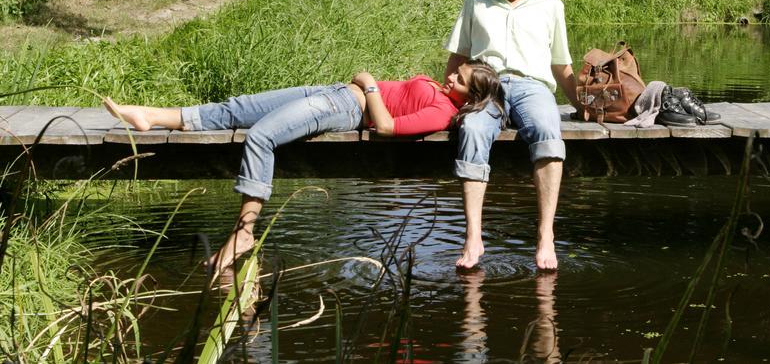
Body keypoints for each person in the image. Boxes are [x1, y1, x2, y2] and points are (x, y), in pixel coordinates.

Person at [103, 62, 504, 274]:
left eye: (461, 79)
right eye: (458, 70)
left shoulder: (442, 111)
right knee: (237, 108)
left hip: (345, 106)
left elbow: (385, 126)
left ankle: (244, 233)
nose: (452, 74)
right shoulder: (442, 91)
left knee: (260, 136)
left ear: (472, 96)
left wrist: (369, 85)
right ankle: (150, 116)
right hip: (330, 93)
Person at [444, 0, 579, 271]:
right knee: (473, 129)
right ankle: (474, 237)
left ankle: (545, 235)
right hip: (486, 86)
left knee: (548, 130)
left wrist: (581, 105)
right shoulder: (476, 0)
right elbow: (458, 56)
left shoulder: (550, 5)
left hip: (532, 86)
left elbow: (561, 64)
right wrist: (445, 101)